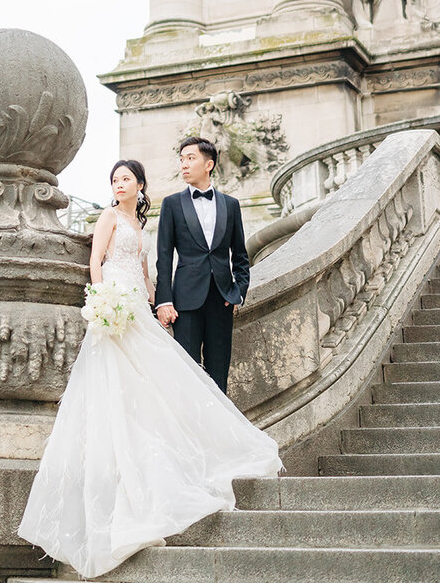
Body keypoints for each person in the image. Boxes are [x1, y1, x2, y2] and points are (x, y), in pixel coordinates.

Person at [18, 158, 282, 579]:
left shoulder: (139, 225)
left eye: (126, 179)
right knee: (116, 387)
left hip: (138, 308)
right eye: (114, 179)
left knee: (157, 384)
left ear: (140, 186)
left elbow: (145, 268)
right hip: (113, 309)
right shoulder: (107, 217)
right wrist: (102, 302)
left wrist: (153, 300)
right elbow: (96, 262)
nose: (119, 184)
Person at [155, 136, 248, 393]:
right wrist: (164, 301)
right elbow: (164, 256)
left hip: (222, 298)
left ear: (208, 165)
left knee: (219, 370)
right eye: (182, 159)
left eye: (190, 158)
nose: (184, 164)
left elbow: (240, 256)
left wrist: (239, 291)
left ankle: (218, 431)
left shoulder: (231, 205)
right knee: (187, 371)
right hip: (185, 302)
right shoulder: (171, 204)